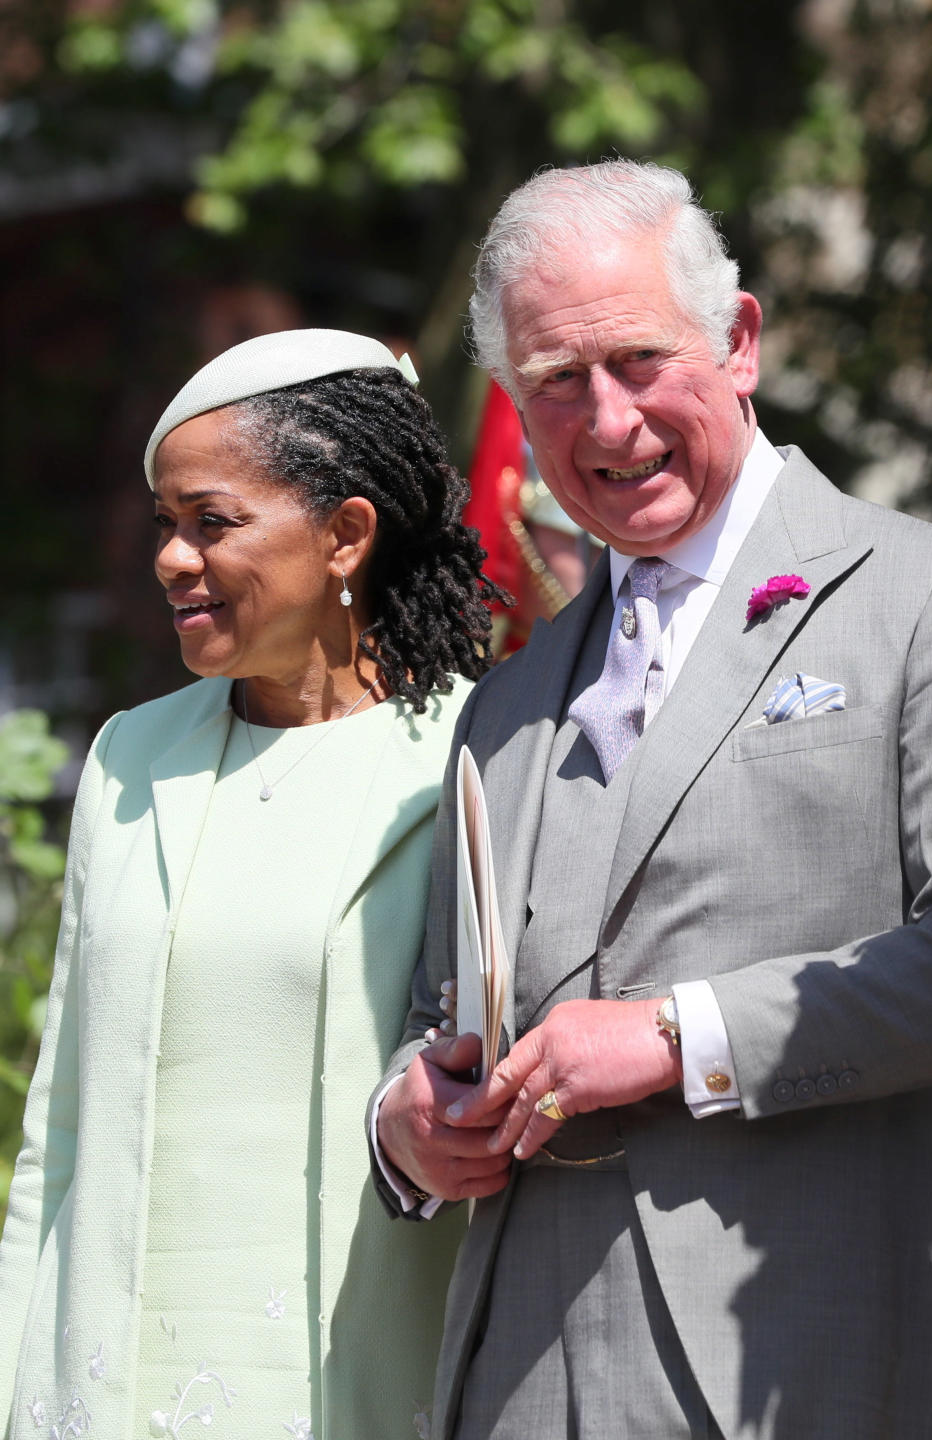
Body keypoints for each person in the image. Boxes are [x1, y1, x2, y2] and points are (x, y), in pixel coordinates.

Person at [372, 161, 932, 1440]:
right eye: (555, 384)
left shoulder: (928, 602)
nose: (608, 420)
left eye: (640, 360)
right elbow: (441, 1013)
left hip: (799, 1363)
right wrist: (409, 1122)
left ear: (739, 341)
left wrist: (676, 1035)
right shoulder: (506, 698)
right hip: (516, 1375)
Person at [0, 329, 505, 1440]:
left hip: (353, 1392)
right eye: (166, 528)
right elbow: (59, 1130)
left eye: (212, 523)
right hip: (94, 1392)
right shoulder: (131, 757)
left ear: (345, 534)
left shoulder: (480, 759)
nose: (173, 559)